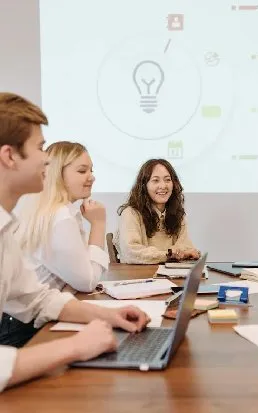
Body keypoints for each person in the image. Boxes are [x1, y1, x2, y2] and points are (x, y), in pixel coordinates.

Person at [0, 92, 149, 392]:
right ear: (9, 156)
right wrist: (75, 347)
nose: (47, 158)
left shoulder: (6, 231)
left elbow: (37, 299)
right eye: (40, 147)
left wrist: (109, 315)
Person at [16, 141, 108, 293]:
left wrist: (71, 286)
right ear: (58, 174)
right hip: (33, 316)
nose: (92, 177)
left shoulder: (55, 212)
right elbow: (88, 282)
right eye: (82, 171)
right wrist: (98, 224)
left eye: (91, 170)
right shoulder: (61, 217)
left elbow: (80, 277)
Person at [114, 158, 200, 264]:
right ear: (144, 186)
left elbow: (186, 248)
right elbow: (131, 253)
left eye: (167, 180)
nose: (163, 186)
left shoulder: (177, 214)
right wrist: (169, 254)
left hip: (171, 277)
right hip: (139, 278)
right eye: (155, 180)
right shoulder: (130, 213)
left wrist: (186, 253)